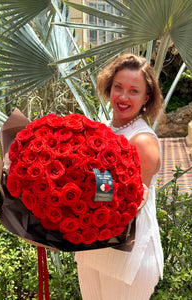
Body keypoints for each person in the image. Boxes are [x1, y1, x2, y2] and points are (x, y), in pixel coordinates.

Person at [75, 53, 164, 300]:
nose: (123, 97)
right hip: (94, 248)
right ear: (109, 87)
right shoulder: (103, 129)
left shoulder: (142, 140)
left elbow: (131, 201)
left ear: (146, 98)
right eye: (118, 87)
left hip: (128, 256)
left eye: (133, 91)